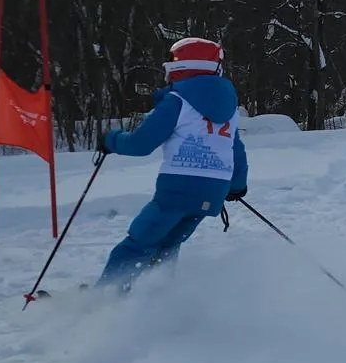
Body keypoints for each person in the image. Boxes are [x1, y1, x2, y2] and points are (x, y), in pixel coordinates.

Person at [95, 37, 248, 290]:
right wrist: (237, 187)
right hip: (214, 191)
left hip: (178, 188)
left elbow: (139, 145)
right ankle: (159, 301)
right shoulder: (231, 109)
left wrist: (110, 140)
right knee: (167, 244)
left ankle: (103, 299)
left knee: (139, 241)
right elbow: (235, 150)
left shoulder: (178, 101)